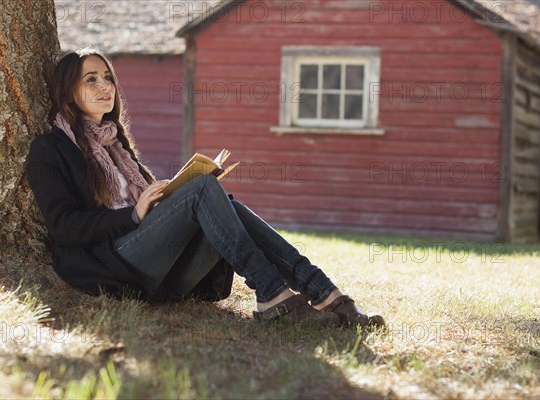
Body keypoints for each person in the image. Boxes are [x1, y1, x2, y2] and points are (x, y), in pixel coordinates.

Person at [27, 48, 385, 329]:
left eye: (108, 78)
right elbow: (65, 227)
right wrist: (134, 215)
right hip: (114, 266)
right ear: (69, 92)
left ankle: (325, 294)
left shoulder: (116, 144)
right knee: (201, 191)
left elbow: (158, 215)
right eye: (91, 80)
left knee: (224, 202)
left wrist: (161, 202)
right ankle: (273, 294)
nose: (105, 87)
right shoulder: (51, 148)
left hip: (164, 272)